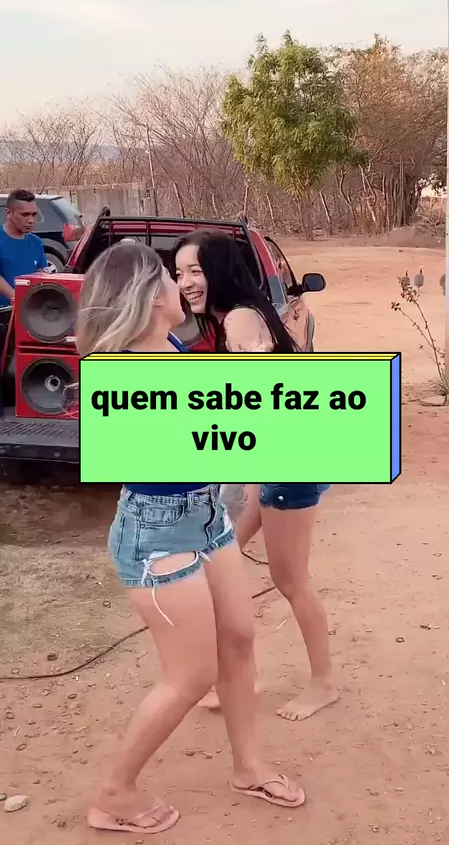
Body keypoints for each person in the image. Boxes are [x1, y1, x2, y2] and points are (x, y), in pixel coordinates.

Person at [75, 241, 305, 836]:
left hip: (205, 517)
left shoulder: (172, 350)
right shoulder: (128, 372)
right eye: (170, 277)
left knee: (239, 640)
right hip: (157, 532)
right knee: (192, 675)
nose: (181, 285)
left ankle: (248, 766)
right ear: (151, 297)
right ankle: (114, 793)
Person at [174, 230, 338, 722]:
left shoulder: (239, 318)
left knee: (291, 581)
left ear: (219, 271)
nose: (185, 282)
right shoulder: (234, 315)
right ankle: (241, 676)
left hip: (290, 465)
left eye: (195, 271)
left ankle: (323, 684)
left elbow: (262, 399)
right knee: (220, 565)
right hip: (270, 463)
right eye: (179, 273)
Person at [0, 189, 49, 307]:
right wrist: (16, 299)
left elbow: (40, 274)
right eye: (25, 214)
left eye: (34, 214)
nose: (31, 220)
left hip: (30, 311)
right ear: (9, 213)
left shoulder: (36, 242)